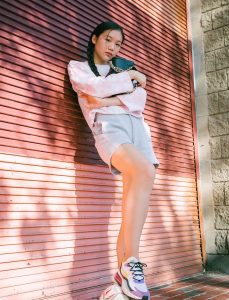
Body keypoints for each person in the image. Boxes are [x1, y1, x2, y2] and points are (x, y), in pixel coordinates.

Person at [68, 20, 159, 300]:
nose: (113, 47)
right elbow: (90, 87)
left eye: (118, 44)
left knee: (133, 204)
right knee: (142, 171)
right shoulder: (79, 67)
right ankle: (132, 264)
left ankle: (120, 285)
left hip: (138, 129)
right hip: (110, 128)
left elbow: (140, 98)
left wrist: (109, 99)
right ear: (95, 38)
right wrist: (130, 80)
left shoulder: (121, 69)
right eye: (108, 40)